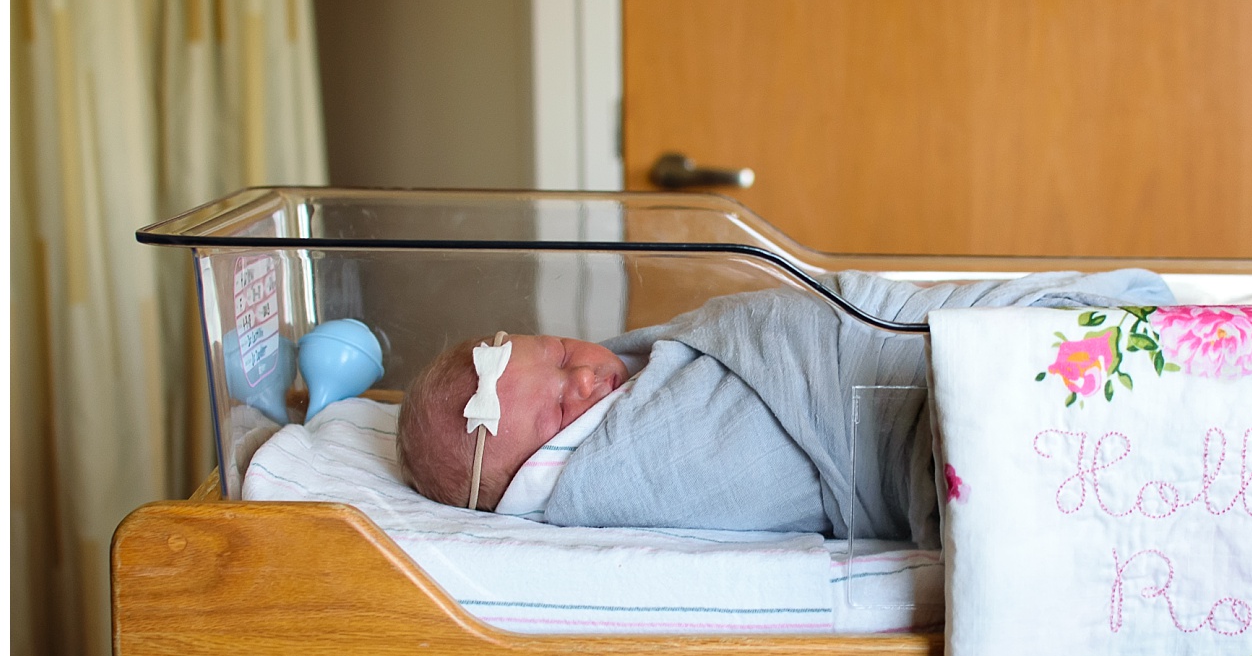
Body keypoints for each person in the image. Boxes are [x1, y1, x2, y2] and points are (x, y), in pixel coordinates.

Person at [396, 269, 1175, 544]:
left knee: (1021, 341)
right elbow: (719, 449)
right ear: (532, 475)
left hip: (878, 348)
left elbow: (786, 332)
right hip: (886, 429)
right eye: (560, 415)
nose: (590, 383)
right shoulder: (611, 471)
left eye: (567, 356)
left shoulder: (651, 367)